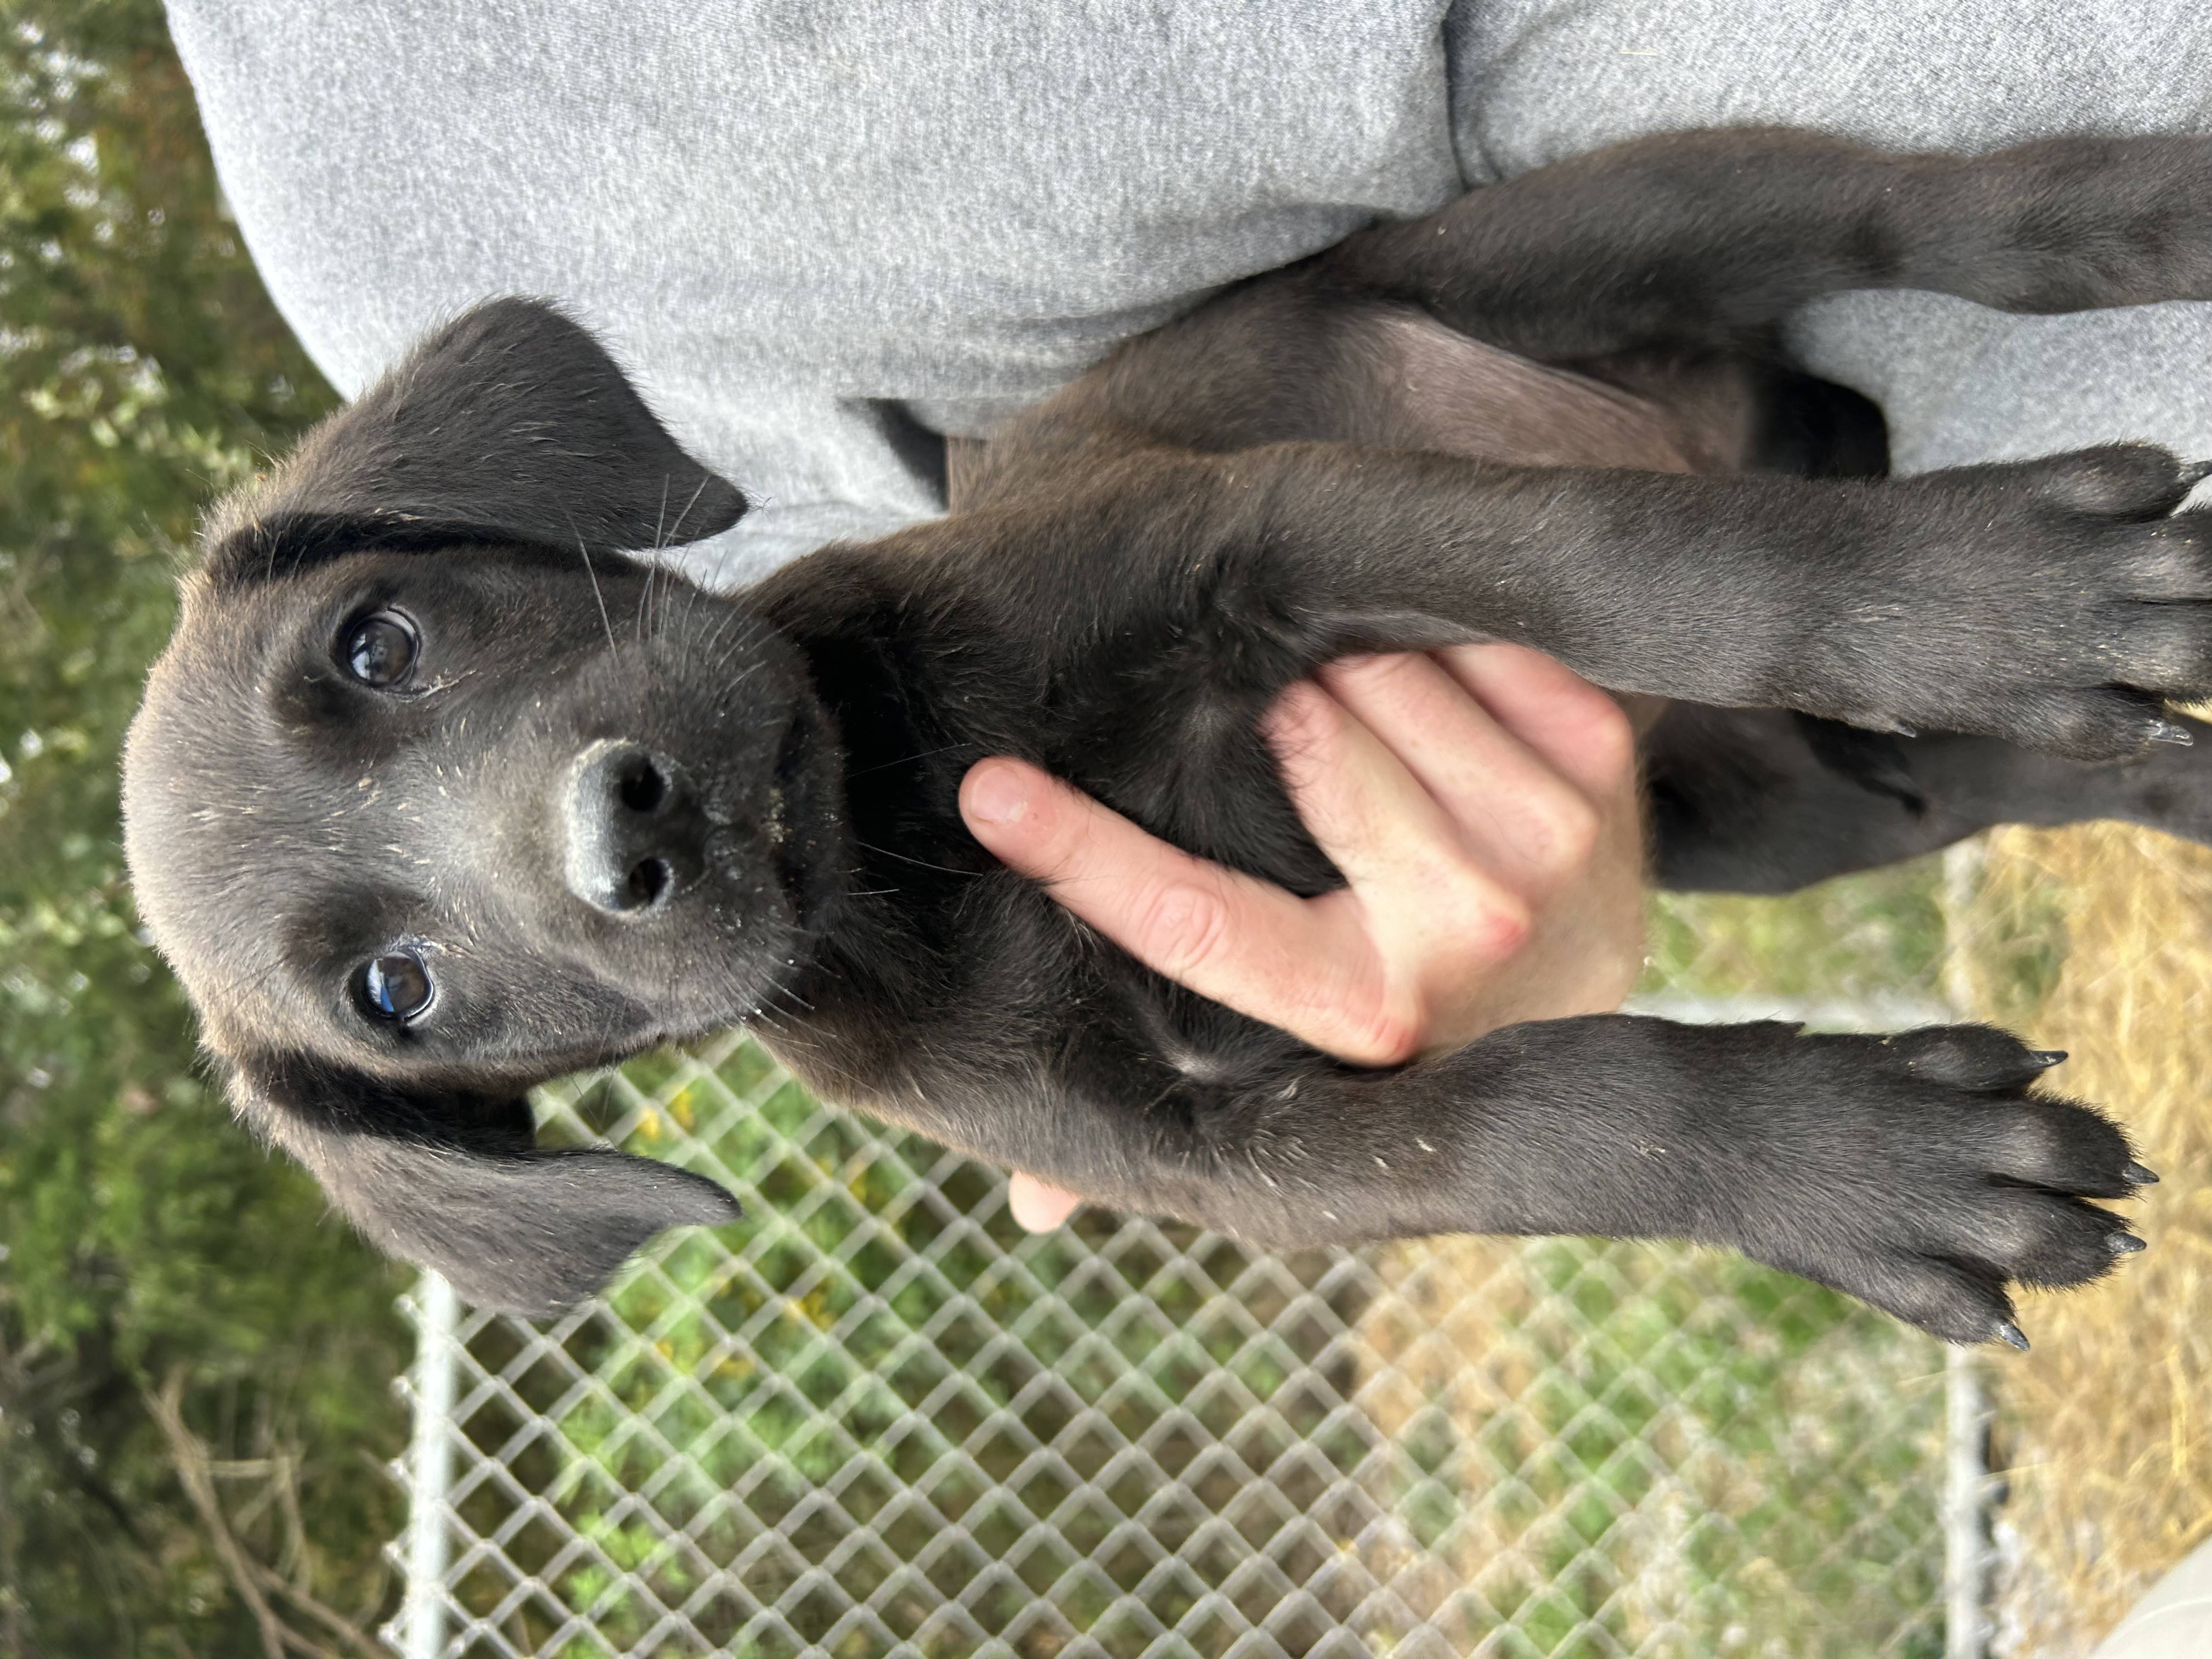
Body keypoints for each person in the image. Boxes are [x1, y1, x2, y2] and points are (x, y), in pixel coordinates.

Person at [160, 0, 2210, 1228]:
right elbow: (1285, 1159)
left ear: (486, 532)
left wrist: (1860, 607)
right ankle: (2112, 757)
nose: (559, 834)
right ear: (487, 1121)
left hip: (1580, 353)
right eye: (400, 993)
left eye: (375, 655)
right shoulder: (937, 1056)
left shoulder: (925, 593)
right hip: (1679, 719)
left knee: (1703, 265)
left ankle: (2016, 238)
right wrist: (1727, 1142)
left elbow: (1277, 537)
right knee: (1895, 780)